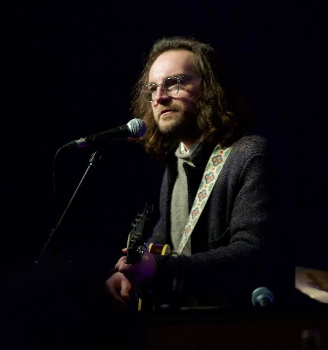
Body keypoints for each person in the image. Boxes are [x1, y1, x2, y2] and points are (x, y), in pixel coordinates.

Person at [105, 36, 294, 311]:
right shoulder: (177, 162)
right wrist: (128, 273)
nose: (159, 97)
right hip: (189, 324)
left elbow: (252, 257)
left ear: (209, 89)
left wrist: (159, 269)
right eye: (153, 88)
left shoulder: (250, 156)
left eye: (174, 83)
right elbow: (164, 239)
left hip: (240, 326)